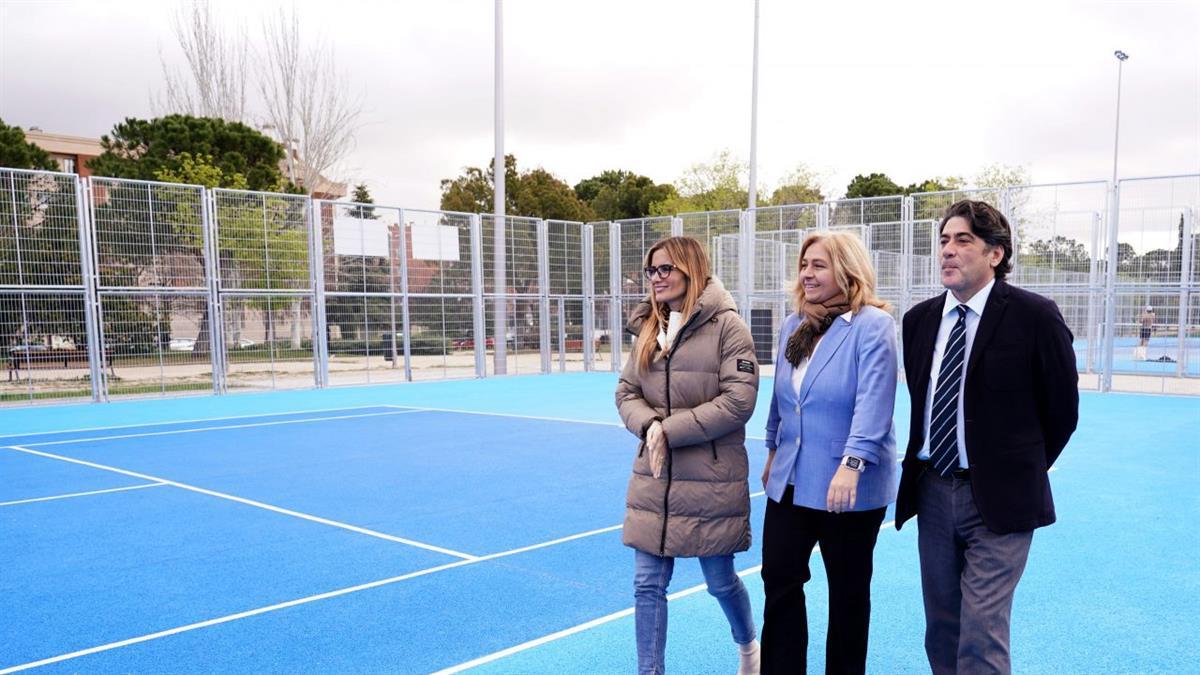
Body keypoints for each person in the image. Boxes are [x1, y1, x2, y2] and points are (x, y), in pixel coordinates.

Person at [895, 200, 1079, 674]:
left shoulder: (1034, 316)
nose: (948, 251)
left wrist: (1013, 467)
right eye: (943, 241)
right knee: (942, 628)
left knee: (981, 632)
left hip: (1000, 500)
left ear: (995, 254)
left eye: (962, 241)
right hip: (933, 492)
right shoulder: (918, 321)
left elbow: (1061, 411)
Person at [615, 236, 761, 675]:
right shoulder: (649, 326)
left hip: (709, 479)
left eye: (665, 269)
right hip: (654, 478)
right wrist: (648, 426)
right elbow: (626, 391)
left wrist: (668, 430)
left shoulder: (728, 326)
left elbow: (739, 401)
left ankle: (749, 647)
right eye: (651, 270)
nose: (656, 278)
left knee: (719, 581)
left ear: (690, 270)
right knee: (647, 584)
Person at [760, 231, 899, 675]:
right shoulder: (793, 325)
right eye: (804, 264)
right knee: (780, 582)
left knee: (848, 594)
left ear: (846, 269)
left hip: (848, 487)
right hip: (792, 477)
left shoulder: (872, 325)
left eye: (819, 265)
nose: (807, 273)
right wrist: (770, 450)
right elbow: (781, 398)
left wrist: (852, 465)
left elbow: (873, 403)